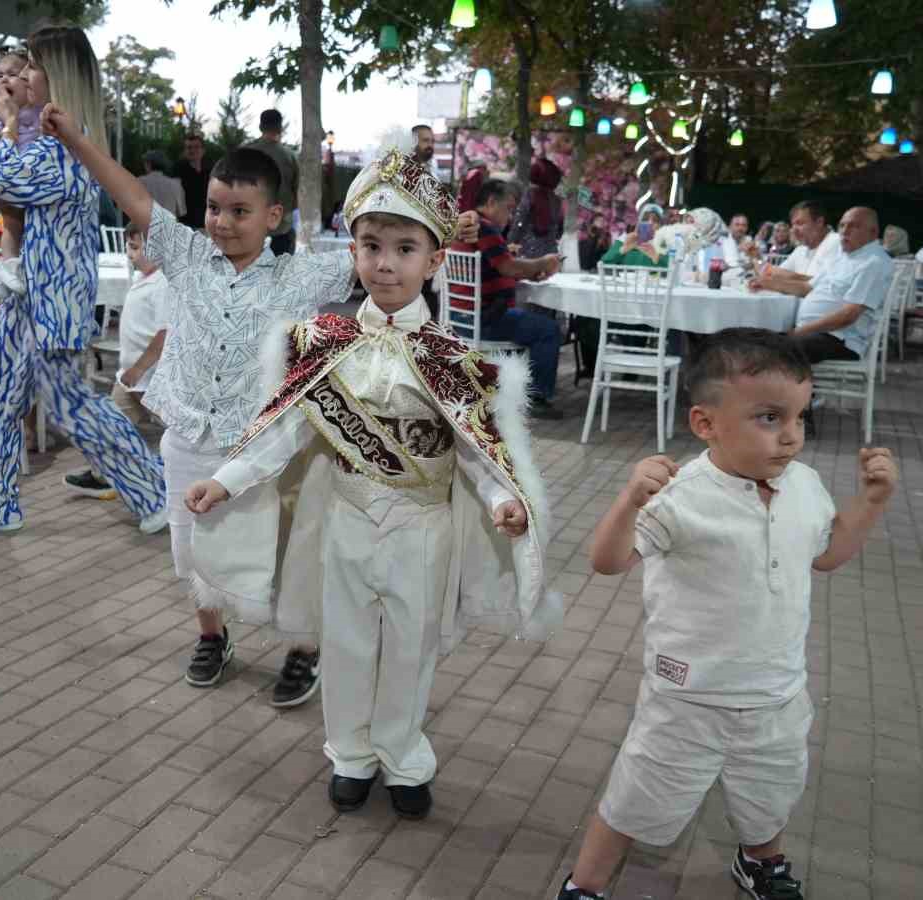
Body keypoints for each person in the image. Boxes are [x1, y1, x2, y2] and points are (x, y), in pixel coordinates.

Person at [45, 100, 483, 707]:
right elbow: (130, 195)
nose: (222, 223)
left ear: (273, 216)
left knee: (283, 555)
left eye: (240, 212)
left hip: (261, 449)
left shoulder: (301, 278)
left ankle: (305, 648)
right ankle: (211, 636)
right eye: (215, 208)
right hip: (187, 438)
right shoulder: (187, 255)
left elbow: (377, 249)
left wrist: (440, 226)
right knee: (188, 547)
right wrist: (76, 138)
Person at [183, 149, 560, 821]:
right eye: (371, 245)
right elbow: (289, 431)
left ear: (435, 259)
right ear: (352, 249)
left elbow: (477, 452)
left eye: (404, 248)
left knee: (410, 649)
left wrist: (504, 500)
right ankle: (350, 755)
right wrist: (226, 480)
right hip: (348, 517)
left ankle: (403, 753)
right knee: (350, 642)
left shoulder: (454, 361)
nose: (385, 263)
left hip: (423, 525)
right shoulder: (321, 344)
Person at [558, 327, 897, 900]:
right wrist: (628, 501)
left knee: (770, 791)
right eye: (769, 418)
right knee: (639, 794)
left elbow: (828, 555)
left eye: (799, 418)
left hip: (776, 691)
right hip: (687, 696)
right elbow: (608, 561)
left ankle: (761, 863)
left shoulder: (805, 486)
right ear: (706, 424)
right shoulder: (681, 496)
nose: (790, 437)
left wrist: (870, 503)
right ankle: (587, 885)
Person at [0, 25, 167, 537]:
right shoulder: (54, 137)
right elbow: (6, 193)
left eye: (33, 67)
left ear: (56, 75)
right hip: (30, 294)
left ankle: (154, 489)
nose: (22, 76)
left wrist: (5, 124)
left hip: (52, 300)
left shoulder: (65, 142)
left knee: (69, 404)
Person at [64, 222, 172, 496]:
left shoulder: (162, 284)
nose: (129, 254)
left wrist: (138, 368)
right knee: (109, 426)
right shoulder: (141, 279)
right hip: (129, 380)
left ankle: (191, 471)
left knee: (178, 431)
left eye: (135, 247)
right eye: (128, 247)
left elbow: (164, 333)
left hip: (152, 379)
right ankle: (103, 476)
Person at [452, 178, 564, 419]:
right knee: (548, 330)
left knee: (529, 322)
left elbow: (500, 269)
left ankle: (509, 388)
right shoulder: (483, 227)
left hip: (462, 318)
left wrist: (530, 270)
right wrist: (543, 262)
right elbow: (508, 267)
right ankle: (537, 396)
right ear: (491, 202)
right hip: (486, 319)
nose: (511, 216)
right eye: (509, 208)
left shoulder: (469, 227)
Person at [790, 206, 893, 363]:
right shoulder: (843, 256)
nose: (845, 231)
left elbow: (848, 316)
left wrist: (799, 331)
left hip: (839, 340)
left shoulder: (874, 263)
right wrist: (767, 283)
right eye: (842, 225)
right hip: (815, 333)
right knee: (759, 339)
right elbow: (807, 287)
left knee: (778, 349)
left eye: (854, 226)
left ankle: (793, 387)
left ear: (873, 232)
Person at [750, 201, 842, 297]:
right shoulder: (801, 249)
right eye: (793, 225)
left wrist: (788, 277)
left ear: (819, 222)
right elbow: (771, 274)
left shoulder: (836, 242)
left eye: (800, 223)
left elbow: (822, 286)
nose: (794, 230)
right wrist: (756, 257)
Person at [245, 110, 299, 255]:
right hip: (281, 227)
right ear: (280, 128)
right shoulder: (290, 156)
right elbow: (297, 193)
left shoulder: (245, 153)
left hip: (249, 226)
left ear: (260, 127)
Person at [508, 157, 565, 258]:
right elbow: (559, 229)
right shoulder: (556, 200)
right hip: (549, 252)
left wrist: (510, 242)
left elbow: (519, 221)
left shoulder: (530, 195)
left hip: (526, 250)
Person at [139, 150, 187, 219]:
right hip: (169, 227)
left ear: (148, 164)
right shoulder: (176, 184)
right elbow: (181, 212)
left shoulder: (139, 182)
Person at [177, 132, 211, 229]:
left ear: (203, 150)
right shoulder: (178, 171)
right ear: (184, 151)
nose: (192, 150)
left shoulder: (210, 171)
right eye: (189, 147)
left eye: (196, 147)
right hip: (185, 223)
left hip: (207, 222)